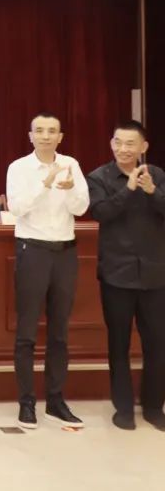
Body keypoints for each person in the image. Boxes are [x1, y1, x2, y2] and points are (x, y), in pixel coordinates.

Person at [5, 112, 89, 429]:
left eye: (51, 131)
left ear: (60, 137)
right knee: (26, 332)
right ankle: (26, 403)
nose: (45, 136)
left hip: (65, 252)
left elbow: (81, 208)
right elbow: (17, 208)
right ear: (30, 136)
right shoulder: (19, 167)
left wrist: (68, 188)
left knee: (59, 333)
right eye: (39, 130)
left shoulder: (71, 164)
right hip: (33, 250)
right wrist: (46, 183)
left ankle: (55, 401)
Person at [87, 120, 165, 431]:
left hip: (155, 275)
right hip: (116, 275)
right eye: (118, 142)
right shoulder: (99, 177)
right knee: (118, 344)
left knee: (157, 344)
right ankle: (123, 409)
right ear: (111, 144)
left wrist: (152, 192)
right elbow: (100, 213)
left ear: (143, 147)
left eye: (130, 143)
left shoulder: (157, 175)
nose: (123, 149)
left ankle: (153, 407)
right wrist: (129, 189)